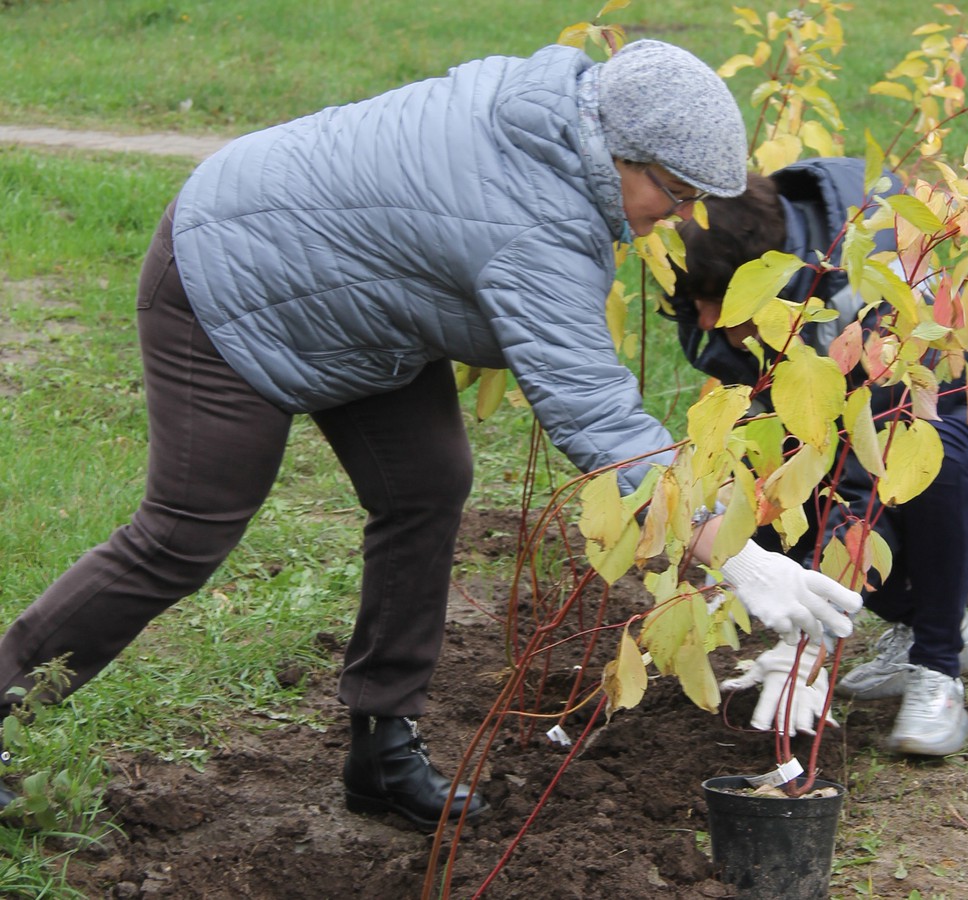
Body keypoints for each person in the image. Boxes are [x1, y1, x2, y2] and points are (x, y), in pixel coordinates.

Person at [0, 41, 863, 827]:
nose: (672, 218)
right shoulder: (535, 222)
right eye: (672, 195)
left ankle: (382, 749)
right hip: (230, 276)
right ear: (620, 152)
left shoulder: (559, 108)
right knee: (187, 531)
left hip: (356, 300)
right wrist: (736, 553)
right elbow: (597, 420)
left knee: (426, 484)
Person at [666, 160, 968, 756]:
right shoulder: (799, 316)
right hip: (946, 487)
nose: (704, 321)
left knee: (926, 445)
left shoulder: (876, 293)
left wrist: (809, 645)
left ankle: (938, 671)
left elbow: (861, 482)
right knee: (792, 492)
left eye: (715, 300)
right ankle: (937, 623)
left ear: (765, 279)